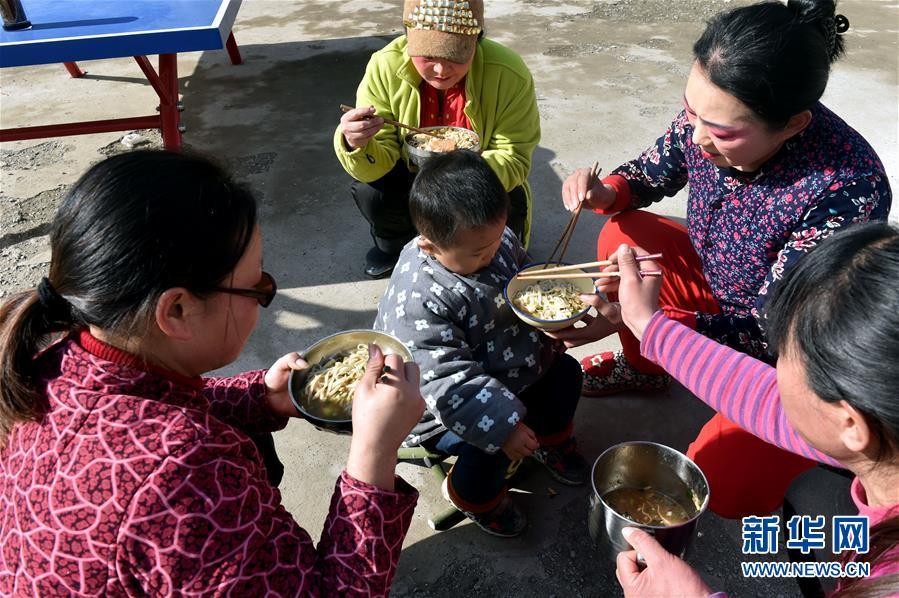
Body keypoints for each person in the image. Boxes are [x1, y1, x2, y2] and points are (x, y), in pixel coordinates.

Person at [0, 151, 425, 596]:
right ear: (177, 309)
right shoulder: (186, 476)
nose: (265, 297)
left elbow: (155, 401)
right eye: (257, 287)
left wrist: (259, 396)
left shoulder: (47, 361)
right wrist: (374, 453)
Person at [554, 0, 892, 519]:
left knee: (721, 484)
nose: (696, 138)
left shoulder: (846, 188)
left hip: (779, 347)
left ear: (793, 124)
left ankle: (790, 484)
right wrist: (609, 191)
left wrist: (646, 321)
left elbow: (778, 336)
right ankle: (648, 369)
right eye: (691, 112)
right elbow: (655, 167)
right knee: (624, 234)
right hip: (718, 275)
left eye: (722, 132)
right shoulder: (712, 115)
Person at [604, 223, 899, 597]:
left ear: (850, 423)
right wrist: (648, 327)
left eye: (784, 356)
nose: (772, 370)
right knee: (811, 498)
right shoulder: (881, 432)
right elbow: (766, 400)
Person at [375, 151, 586, 537]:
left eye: (496, 242)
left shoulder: (489, 235)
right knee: (494, 440)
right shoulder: (421, 297)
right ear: (430, 247)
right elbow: (445, 380)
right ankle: (473, 496)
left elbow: (521, 274)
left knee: (567, 375)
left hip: (507, 361)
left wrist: (551, 310)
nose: (492, 255)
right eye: (479, 254)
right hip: (444, 405)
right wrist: (504, 428)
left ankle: (552, 442)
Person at [335, 0, 540, 278]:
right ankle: (395, 243)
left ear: (477, 40)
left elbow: (512, 156)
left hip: (479, 179)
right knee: (372, 191)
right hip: (411, 177)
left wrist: (460, 181)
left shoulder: (508, 72)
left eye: (455, 55)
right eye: (428, 55)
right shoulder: (385, 65)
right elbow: (377, 159)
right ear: (408, 39)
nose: (441, 71)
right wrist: (357, 143)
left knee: (503, 209)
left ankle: (485, 254)